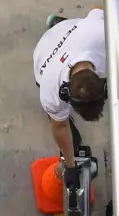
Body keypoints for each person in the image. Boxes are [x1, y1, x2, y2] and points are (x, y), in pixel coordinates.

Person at [31, 9, 107, 171]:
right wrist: (70, 165)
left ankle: (58, 25)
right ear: (64, 93)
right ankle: (55, 27)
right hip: (44, 54)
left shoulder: (100, 32)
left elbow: (101, 9)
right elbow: (60, 127)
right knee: (69, 137)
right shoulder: (50, 89)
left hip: (69, 30)